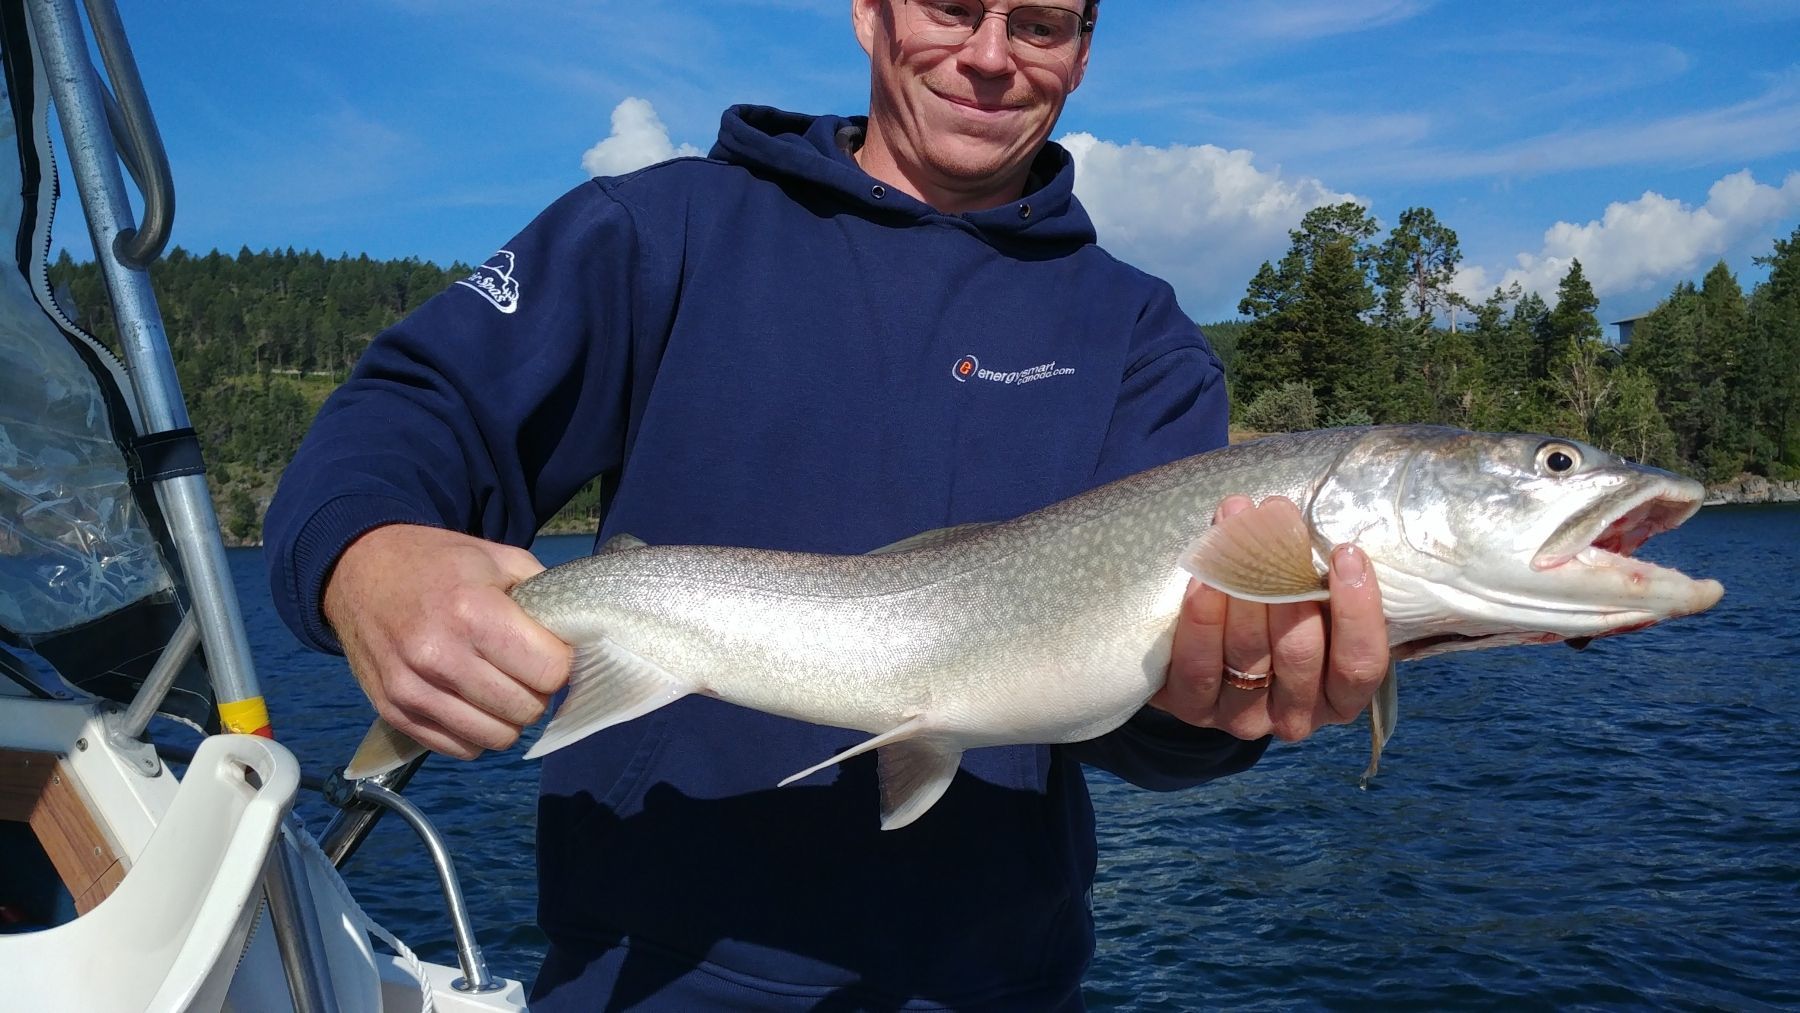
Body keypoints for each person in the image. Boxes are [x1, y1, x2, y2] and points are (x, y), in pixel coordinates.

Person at [266, 1, 1391, 1008]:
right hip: (642, 976)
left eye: (1039, 24)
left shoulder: (1142, 341)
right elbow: (414, 411)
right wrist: (368, 559)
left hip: (999, 984)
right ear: (869, 12)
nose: (990, 57)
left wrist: (1228, 702)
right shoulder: (661, 231)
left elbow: (1146, 722)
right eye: (953, 8)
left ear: (1084, 51)